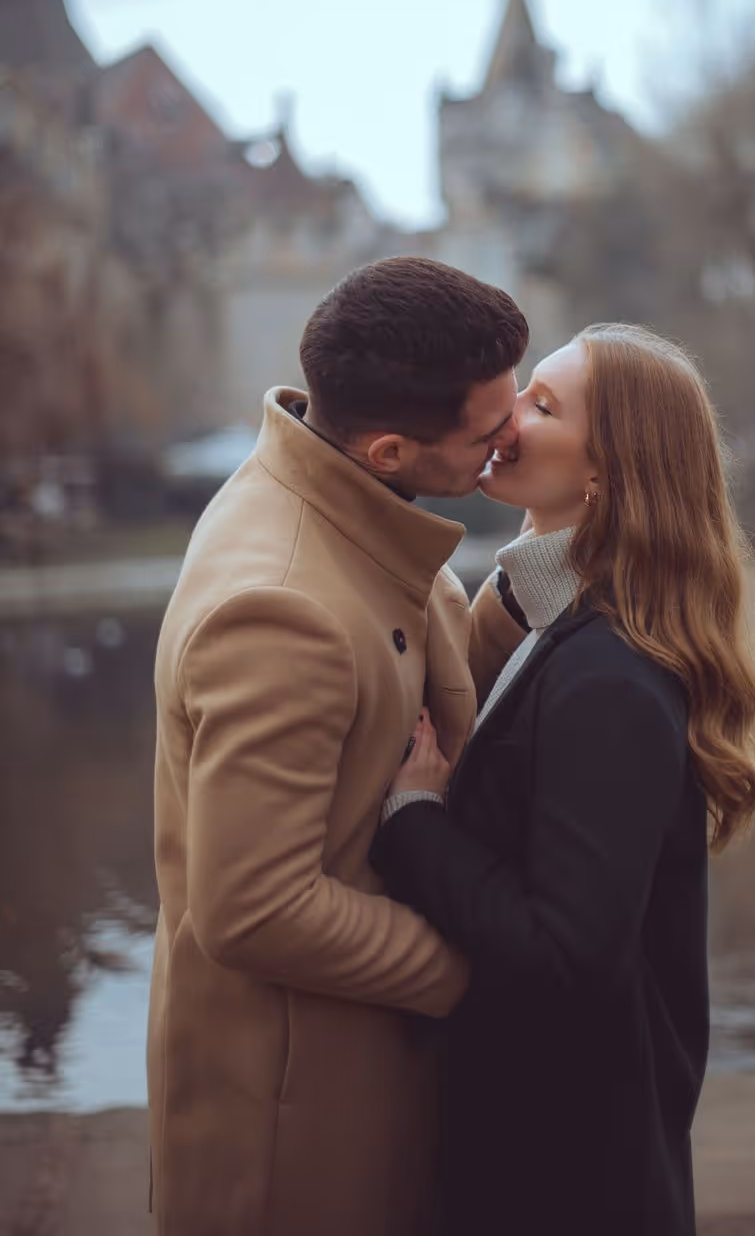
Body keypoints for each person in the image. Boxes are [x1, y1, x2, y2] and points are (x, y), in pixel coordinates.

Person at [147, 256, 528, 1236]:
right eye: (491, 430)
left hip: (356, 1069)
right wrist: (475, 973)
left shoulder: (332, 491)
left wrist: (541, 582)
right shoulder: (280, 606)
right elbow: (250, 907)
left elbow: (403, 667)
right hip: (299, 1127)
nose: (515, 435)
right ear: (393, 448)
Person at [372, 322, 755, 1236]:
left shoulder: (610, 679)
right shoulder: (556, 626)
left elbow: (566, 954)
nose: (507, 418)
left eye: (542, 406)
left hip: (568, 1175)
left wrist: (417, 821)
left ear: (605, 474)